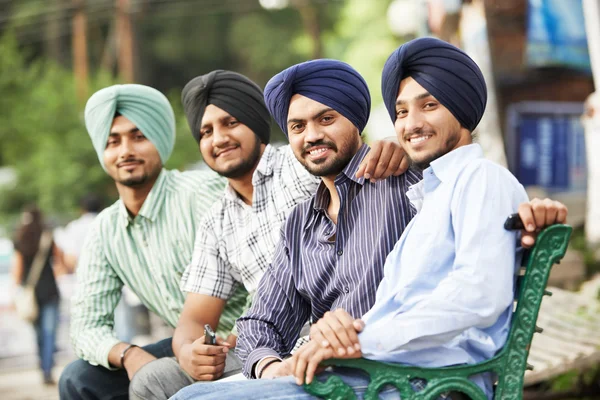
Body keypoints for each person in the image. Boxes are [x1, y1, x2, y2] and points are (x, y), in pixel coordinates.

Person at [171, 53, 567, 400]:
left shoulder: (407, 185)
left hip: (410, 379)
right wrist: (274, 365)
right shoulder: (418, 198)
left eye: (326, 118)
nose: (312, 135)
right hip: (357, 370)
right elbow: (261, 322)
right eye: (401, 112)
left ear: (357, 121)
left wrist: (354, 339)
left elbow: (475, 292)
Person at [130, 70, 409, 400]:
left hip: (370, 362)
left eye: (230, 123)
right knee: (155, 381)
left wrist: (400, 146)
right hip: (289, 354)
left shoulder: (363, 175)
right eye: (298, 127)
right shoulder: (287, 220)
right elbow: (244, 321)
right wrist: (265, 366)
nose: (219, 139)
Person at [58, 84, 248, 400]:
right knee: (79, 380)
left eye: (138, 137)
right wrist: (128, 354)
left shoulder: (202, 195)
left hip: (247, 337)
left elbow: (268, 276)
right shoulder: (105, 230)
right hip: (185, 346)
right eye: (113, 141)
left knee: (160, 378)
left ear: (160, 142)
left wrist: (233, 339)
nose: (125, 151)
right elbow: (85, 326)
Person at [11, 205, 60, 385]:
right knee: (49, 334)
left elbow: (17, 270)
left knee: (39, 334)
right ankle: (47, 369)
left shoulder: (20, 239)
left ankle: (43, 365)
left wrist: (14, 293)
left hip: (31, 295)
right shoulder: (47, 236)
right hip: (50, 291)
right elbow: (60, 261)